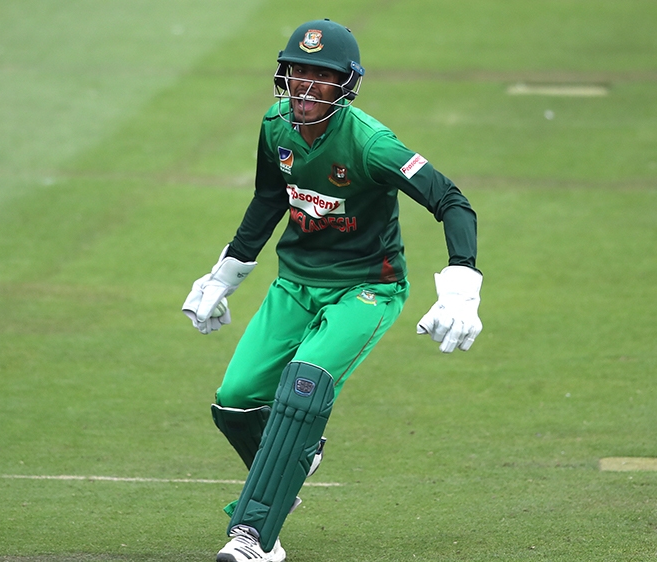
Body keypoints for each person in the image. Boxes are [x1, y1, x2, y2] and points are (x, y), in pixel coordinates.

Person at [182, 18, 482, 562]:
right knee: (234, 402)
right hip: (294, 285)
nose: (305, 86)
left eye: (321, 76)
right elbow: (268, 200)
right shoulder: (276, 126)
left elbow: (451, 200)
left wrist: (462, 285)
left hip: (367, 288)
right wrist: (223, 275)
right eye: (298, 71)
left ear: (347, 84)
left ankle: (253, 536)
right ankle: (297, 459)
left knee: (306, 383)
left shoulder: (371, 144)